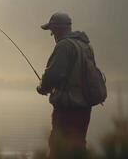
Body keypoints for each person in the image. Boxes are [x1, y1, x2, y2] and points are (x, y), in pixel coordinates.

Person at [37, 12, 94, 159]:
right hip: (84, 108)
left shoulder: (64, 46)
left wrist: (42, 88)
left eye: (51, 31)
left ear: (56, 29)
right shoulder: (84, 45)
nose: (52, 35)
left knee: (58, 149)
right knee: (78, 147)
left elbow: (53, 75)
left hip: (67, 109)